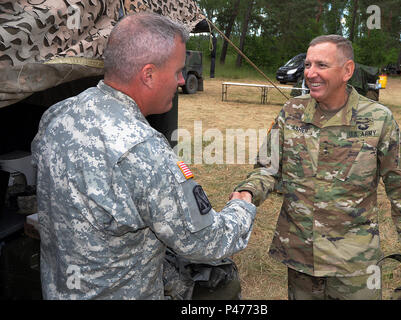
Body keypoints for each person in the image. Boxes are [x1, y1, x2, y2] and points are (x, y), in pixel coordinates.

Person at [31, 12, 256, 300]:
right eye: (177, 71)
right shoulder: (143, 149)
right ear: (148, 74)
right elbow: (205, 241)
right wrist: (242, 206)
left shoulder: (57, 114)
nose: (180, 81)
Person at [231, 35, 401, 300]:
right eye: (308, 64)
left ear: (347, 71)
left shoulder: (378, 120)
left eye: (321, 65)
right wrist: (248, 193)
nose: (310, 73)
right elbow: (267, 168)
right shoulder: (291, 112)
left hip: (355, 264)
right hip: (301, 257)